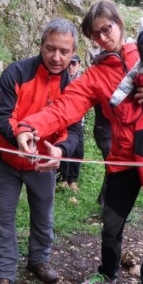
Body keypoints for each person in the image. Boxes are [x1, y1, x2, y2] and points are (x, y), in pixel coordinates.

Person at [15, 0, 143, 284]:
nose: (103, 38)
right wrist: (31, 126)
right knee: (111, 224)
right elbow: (66, 106)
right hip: (124, 159)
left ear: (119, 23)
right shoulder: (95, 75)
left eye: (107, 29)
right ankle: (107, 274)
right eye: (96, 35)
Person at [0, 18, 80, 284]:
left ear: (73, 53)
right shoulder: (16, 72)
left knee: (43, 215)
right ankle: (4, 272)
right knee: (4, 216)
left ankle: (39, 260)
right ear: (40, 45)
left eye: (64, 52)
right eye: (50, 48)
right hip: (6, 160)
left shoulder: (74, 88)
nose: (56, 57)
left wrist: (60, 150)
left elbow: (74, 130)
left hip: (43, 165)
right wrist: (18, 136)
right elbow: (3, 115)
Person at [58, 54, 84, 191]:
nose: (71, 67)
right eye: (69, 64)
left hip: (79, 120)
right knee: (65, 148)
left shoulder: (83, 80)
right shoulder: (62, 79)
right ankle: (63, 178)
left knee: (78, 151)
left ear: (79, 64)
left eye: (74, 64)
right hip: (63, 120)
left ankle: (73, 180)